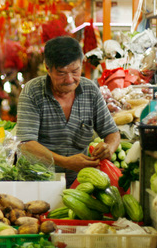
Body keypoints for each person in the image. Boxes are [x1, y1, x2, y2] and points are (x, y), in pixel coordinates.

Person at [15, 36, 121, 187]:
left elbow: (112, 132)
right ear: (47, 68)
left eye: (75, 71)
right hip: (39, 181)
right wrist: (66, 162)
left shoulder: (90, 91)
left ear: (81, 64)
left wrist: (109, 148)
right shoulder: (33, 92)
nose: (70, 79)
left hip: (81, 182)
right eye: (61, 73)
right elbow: (26, 143)